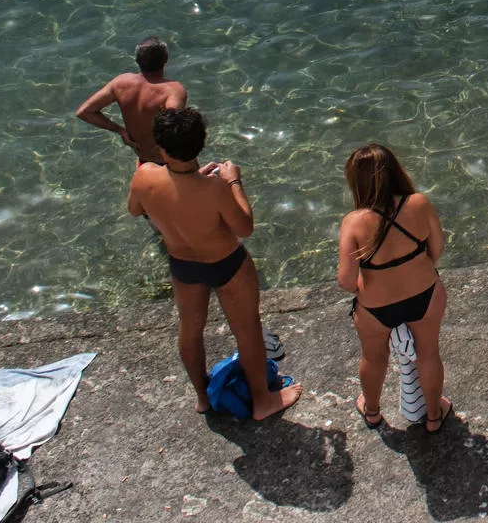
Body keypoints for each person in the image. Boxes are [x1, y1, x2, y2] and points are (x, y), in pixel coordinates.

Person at [127, 107, 300, 420]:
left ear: (161, 147)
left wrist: (187, 185)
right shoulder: (215, 188)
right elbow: (244, 227)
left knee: (190, 330)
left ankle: (202, 398)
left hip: (182, 264)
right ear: (200, 144)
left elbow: (136, 208)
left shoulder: (144, 176)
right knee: (247, 329)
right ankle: (263, 401)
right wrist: (234, 182)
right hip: (226, 264)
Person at [337, 144, 450, 431]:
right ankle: (434, 417)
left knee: (373, 358)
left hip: (377, 307)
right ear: (395, 171)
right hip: (424, 294)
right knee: (428, 354)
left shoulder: (353, 223)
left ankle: (372, 412)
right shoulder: (419, 203)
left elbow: (347, 281)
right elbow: (436, 249)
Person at [76, 36, 187, 164]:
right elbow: (174, 126)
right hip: (173, 165)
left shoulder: (121, 83)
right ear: (165, 59)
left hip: (144, 161)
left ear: (137, 60)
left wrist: (120, 130)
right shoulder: (173, 90)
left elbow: (84, 112)